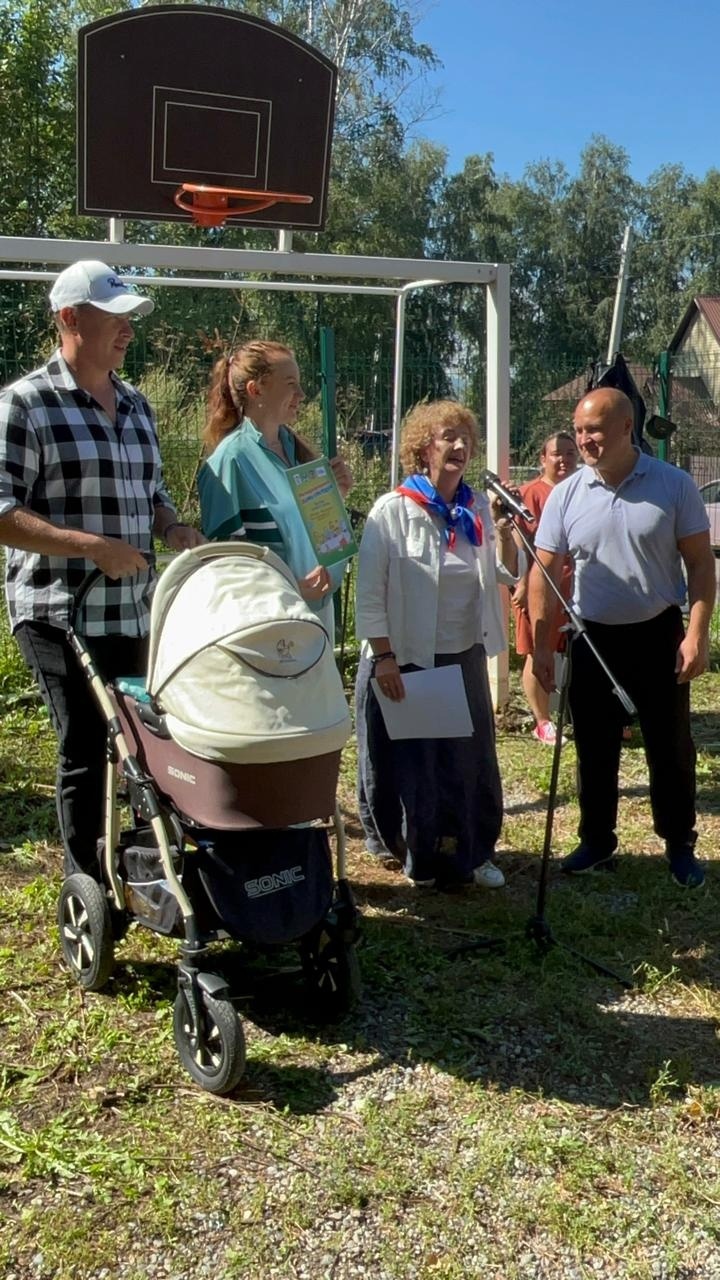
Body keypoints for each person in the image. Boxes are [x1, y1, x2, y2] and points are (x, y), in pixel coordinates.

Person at [0, 259, 205, 878]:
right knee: (87, 746)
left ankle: (147, 871)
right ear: (69, 318)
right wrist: (91, 545)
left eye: (130, 319)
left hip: (134, 608)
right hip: (58, 612)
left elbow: (153, 495)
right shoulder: (25, 404)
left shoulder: (138, 405)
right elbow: (3, 510)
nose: (128, 331)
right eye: (114, 317)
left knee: (146, 743)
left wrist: (171, 526)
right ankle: (84, 882)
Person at [530, 387, 715, 889]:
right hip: (592, 638)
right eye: (579, 430)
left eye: (594, 430)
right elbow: (543, 572)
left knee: (670, 744)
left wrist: (697, 633)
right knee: (593, 744)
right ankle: (597, 840)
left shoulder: (673, 486)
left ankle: (679, 844)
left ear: (626, 428)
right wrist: (542, 646)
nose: (584, 440)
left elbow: (700, 564)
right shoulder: (567, 493)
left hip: (659, 636)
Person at [354, 399, 524, 890]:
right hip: (405, 658)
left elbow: (501, 571)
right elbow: (370, 596)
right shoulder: (393, 511)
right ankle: (419, 857)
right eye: (446, 436)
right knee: (416, 768)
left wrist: (505, 533)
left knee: (468, 765)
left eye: (464, 437)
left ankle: (472, 851)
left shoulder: (471, 510)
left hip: (462, 653)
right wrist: (383, 656)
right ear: (421, 448)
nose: (458, 445)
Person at [197, 340, 352, 636]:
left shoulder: (298, 452)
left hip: (316, 617)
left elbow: (323, 538)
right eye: (291, 384)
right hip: (266, 626)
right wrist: (291, 585)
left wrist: (335, 500)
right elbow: (225, 562)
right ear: (257, 390)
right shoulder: (230, 459)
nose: (301, 395)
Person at [511, 431, 578, 744]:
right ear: (543, 458)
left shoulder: (582, 490)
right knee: (539, 649)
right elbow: (520, 544)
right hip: (541, 585)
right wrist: (523, 582)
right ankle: (543, 720)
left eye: (569, 453)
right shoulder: (530, 494)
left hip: (575, 587)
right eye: (557, 453)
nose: (563, 460)